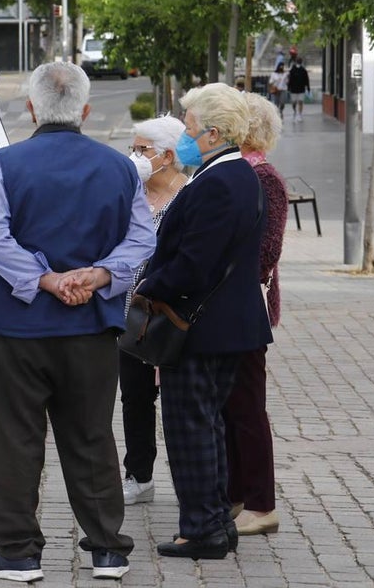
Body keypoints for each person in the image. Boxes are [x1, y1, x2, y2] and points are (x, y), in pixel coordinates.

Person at [0, 61, 156, 582]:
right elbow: (143, 238)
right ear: (86, 110)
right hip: (91, 327)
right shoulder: (120, 168)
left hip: (19, 325)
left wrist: (45, 280)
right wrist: (98, 276)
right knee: (92, 434)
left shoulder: (7, 163)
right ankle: (107, 550)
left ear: (30, 108)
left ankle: (17, 552)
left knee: (14, 438)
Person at [134, 83, 272, 561]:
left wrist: (147, 287)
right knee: (207, 426)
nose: (185, 134)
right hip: (220, 325)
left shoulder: (220, 180)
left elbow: (195, 264)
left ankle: (202, 530)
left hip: (202, 328)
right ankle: (213, 521)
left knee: (191, 429)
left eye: (189, 127)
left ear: (213, 133)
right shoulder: (223, 174)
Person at [224, 93, 286, 537]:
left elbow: (266, 252)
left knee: (247, 406)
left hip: (244, 309)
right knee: (230, 405)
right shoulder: (238, 173)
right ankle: (237, 493)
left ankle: (262, 503)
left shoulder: (264, 179)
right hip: (228, 308)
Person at [119, 115, 188, 507]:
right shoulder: (131, 193)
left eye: (142, 149)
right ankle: (139, 475)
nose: (135, 155)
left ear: (168, 156)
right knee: (134, 398)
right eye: (134, 147)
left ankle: (188, 476)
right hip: (129, 313)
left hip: (170, 314)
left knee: (178, 399)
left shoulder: (188, 194)